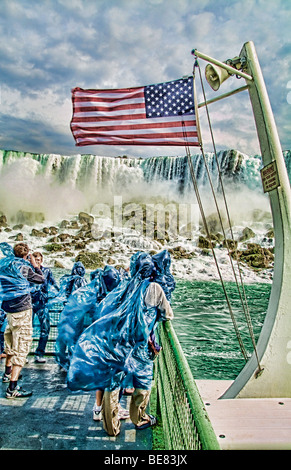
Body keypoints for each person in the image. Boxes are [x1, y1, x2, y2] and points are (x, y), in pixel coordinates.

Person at [67, 251, 174, 437]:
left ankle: (111, 427)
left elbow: (106, 311)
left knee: (113, 383)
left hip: (117, 346)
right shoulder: (155, 288)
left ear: (133, 269)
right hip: (140, 346)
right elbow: (167, 314)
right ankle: (139, 419)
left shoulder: (122, 287)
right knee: (143, 381)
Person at [0, 242, 45, 398]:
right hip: (22, 310)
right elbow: (40, 279)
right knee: (23, 346)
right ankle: (12, 388)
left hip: (8, 311)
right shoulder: (24, 267)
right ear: (26, 255)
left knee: (10, 340)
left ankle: (7, 373)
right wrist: (34, 264)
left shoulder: (4, 265)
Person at [31, 251, 59, 363]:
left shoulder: (47, 271)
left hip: (42, 303)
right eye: (35, 260)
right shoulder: (28, 270)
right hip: (29, 303)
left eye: (38, 260)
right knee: (27, 330)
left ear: (41, 261)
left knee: (45, 328)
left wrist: (59, 294)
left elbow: (53, 284)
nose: (37, 262)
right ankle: (23, 354)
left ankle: (40, 353)